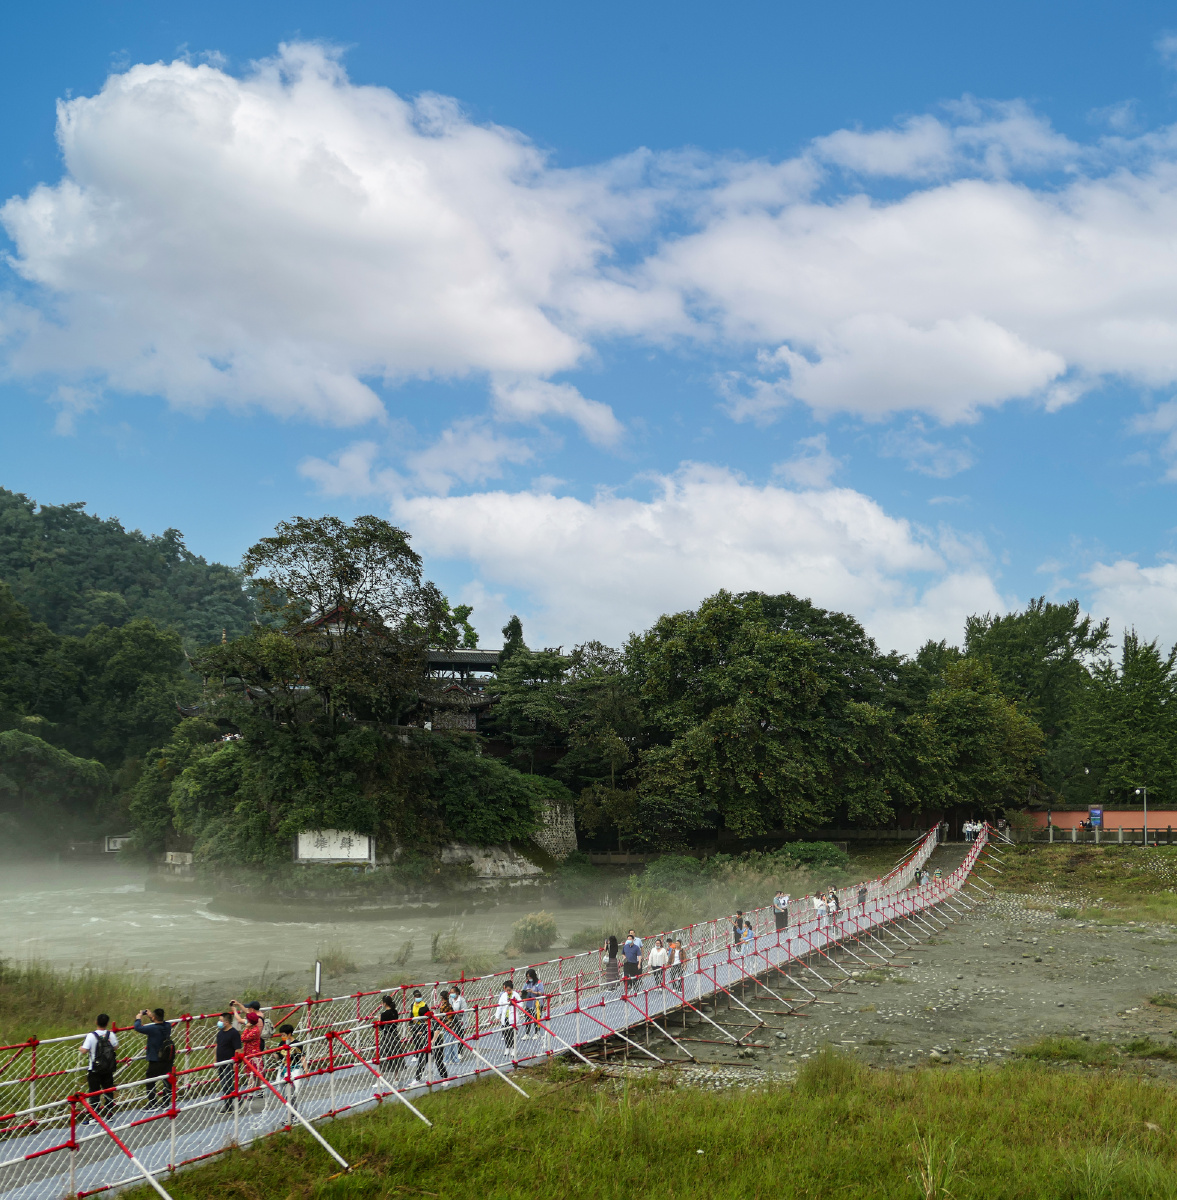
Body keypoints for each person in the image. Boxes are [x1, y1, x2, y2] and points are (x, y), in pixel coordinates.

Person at [132, 1007, 175, 1109]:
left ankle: (152, 1102)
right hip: (167, 1058)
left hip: (155, 1059)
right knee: (167, 1080)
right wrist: (151, 1016)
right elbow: (160, 1022)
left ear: (155, 1017)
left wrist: (138, 1018)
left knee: (150, 1081)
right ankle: (165, 1102)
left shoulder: (153, 1029)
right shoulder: (167, 1026)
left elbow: (138, 1028)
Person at [79, 1014, 118, 1122]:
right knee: (108, 1090)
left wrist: (80, 1048)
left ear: (96, 1022)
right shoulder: (111, 1034)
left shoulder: (91, 1036)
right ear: (107, 1023)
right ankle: (109, 1114)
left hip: (94, 1068)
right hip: (108, 1068)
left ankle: (94, 1116)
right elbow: (115, 1047)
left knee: (94, 1092)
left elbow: (84, 1050)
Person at [214, 1011, 241, 1114]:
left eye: (220, 1021)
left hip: (229, 1062)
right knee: (224, 1083)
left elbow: (238, 1049)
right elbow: (217, 1046)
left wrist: (235, 1063)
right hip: (220, 1062)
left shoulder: (234, 1033)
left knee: (227, 1084)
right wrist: (215, 1059)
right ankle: (235, 1101)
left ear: (227, 1022)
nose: (219, 1022)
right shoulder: (220, 1033)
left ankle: (229, 1106)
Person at [272, 1024, 304, 1108]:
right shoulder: (282, 1043)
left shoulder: (297, 1044)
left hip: (294, 1069)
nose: (282, 1037)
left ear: (289, 1034)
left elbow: (302, 1057)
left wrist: (306, 1070)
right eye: (281, 1035)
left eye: (284, 1035)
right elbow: (279, 1056)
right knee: (280, 1090)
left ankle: (293, 1113)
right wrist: (273, 1054)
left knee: (293, 1092)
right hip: (283, 1069)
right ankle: (291, 1111)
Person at [408, 990, 432, 1082]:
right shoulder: (412, 1005)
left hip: (422, 1024)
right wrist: (410, 1024)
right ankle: (416, 1054)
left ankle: (421, 1052)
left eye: (419, 996)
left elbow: (426, 1015)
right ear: (414, 997)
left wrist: (423, 1028)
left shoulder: (424, 1005)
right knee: (415, 1039)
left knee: (421, 1039)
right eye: (416, 996)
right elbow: (411, 1014)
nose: (417, 997)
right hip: (415, 1024)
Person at [495, 979, 521, 1056]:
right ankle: (507, 1047)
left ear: (512, 989)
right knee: (505, 1033)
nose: (508, 991)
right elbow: (499, 1006)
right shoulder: (503, 995)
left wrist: (514, 1004)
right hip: (505, 1017)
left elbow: (521, 1004)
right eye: (507, 990)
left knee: (512, 1034)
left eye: (509, 990)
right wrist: (497, 1016)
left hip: (513, 1017)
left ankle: (513, 1048)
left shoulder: (516, 995)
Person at [376, 994, 401, 1073]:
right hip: (395, 1035)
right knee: (395, 1055)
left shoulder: (384, 1014)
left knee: (384, 1055)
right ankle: (396, 1078)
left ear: (384, 1003)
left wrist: (380, 1020)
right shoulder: (395, 1012)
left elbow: (381, 1028)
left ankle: (381, 1078)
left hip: (387, 1036)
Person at [520, 969, 545, 1039]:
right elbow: (523, 990)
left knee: (537, 1018)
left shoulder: (538, 982)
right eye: (527, 977)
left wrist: (533, 992)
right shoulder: (527, 983)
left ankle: (537, 1033)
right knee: (527, 1018)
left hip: (537, 1003)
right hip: (529, 1003)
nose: (529, 978)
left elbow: (541, 992)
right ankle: (527, 1034)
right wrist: (521, 993)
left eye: (530, 977)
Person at [433, 994, 453, 1078]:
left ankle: (448, 1059)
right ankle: (452, 1058)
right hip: (450, 1024)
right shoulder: (449, 1004)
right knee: (452, 1042)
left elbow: (442, 1015)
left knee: (448, 1041)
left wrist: (439, 1020)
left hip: (445, 1025)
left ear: (441, 997)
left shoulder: (444, 1006)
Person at [448, 987, 468, 1060]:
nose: (451, 994)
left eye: (453, 992)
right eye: (450, 992)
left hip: (460, 1020)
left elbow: (464, 1009)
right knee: (451, 1037)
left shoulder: (462, 1000)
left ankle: (459, 1052)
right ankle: (452, 1053)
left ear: (457, 992)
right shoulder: (450, 1000)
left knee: (460, 1036)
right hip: (452, 1021)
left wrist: (457, 1013)